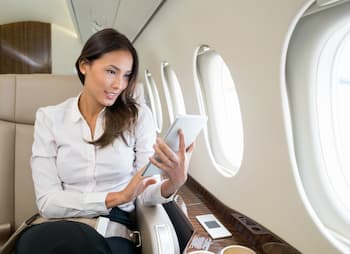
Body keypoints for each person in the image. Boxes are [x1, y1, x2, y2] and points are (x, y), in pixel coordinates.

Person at [14, 28, 194, 254]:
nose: (120, 84)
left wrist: (173, 183)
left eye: (126, 75)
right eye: (111, 71)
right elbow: (48, 202)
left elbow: (146, 191)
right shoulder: (49, 118)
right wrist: (117, 197)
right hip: (54, 225)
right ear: (83, 66)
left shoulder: (138, 117)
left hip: (113, 228)